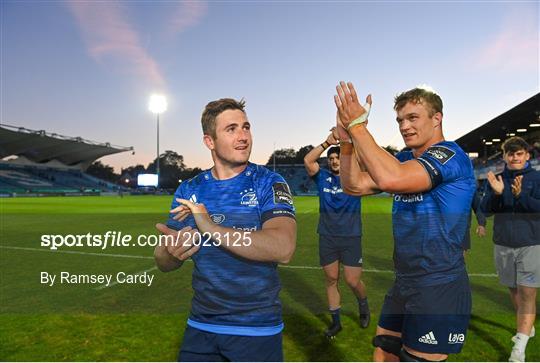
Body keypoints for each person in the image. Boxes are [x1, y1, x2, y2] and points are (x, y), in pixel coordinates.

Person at [333, 82, 475, 362]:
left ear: (437, 118)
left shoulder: (450, 156)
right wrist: (347, 141)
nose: (404, 126)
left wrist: (358, 126)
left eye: (413, 118)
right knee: (384, 352)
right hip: (405, 280)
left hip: (438, 284)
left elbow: (392, 178)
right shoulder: (405, 159)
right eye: (400, 120)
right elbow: (354, 185)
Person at [153, 98, 297, 362]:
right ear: (209, 141)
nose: (243, 136)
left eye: (246, 127)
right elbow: (162, 261)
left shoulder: (269, 182)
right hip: (201, 326)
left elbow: (283, 247)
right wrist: (171, 252)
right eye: (231, 129)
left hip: (257, 329)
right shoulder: (191, 189)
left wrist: (208, 225)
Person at [303, 131, 370, 338]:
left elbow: (366, 158)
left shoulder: (354, 177)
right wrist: (327, 143)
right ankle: (336, 323)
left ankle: (363, 304)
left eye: (337, 157)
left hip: (351, 237)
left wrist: (352, 139)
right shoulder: (322, 177)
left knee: (352, 281)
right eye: (331, 158)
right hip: (327, 236)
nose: (333, 161)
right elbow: (308, 160)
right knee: (331, 279)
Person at [482, 136, 539, 362]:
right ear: (505, 156)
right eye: (510, 153)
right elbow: (485, 210)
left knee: (527, 293)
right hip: (503, 244)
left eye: (519, 153)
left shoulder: (537, 178)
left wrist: (520, 195)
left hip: (532, 244)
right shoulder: (497, 178)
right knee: (514, 290)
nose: (514, 157)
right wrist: (497, 194)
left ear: (526, 155)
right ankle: (527, 327)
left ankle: (519, 348)